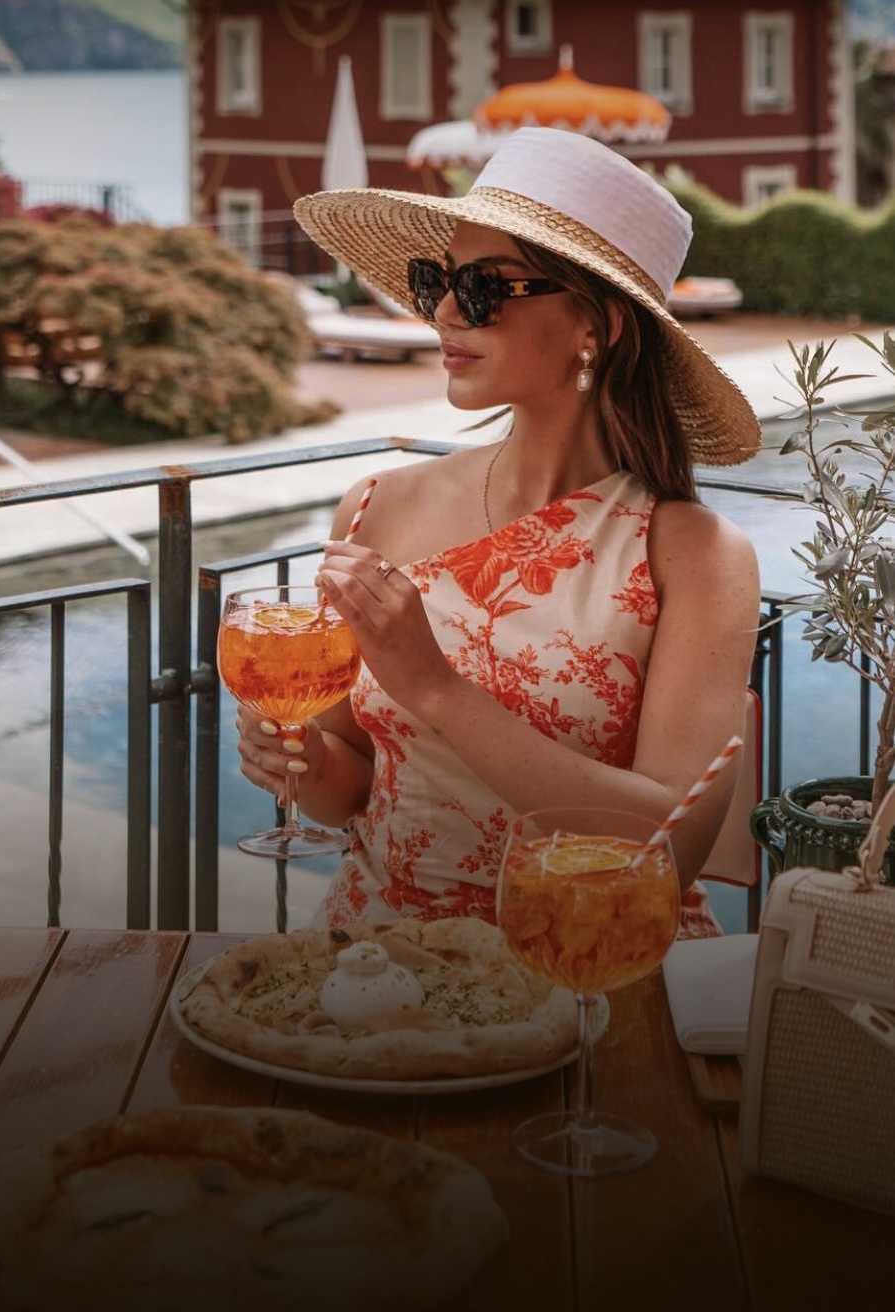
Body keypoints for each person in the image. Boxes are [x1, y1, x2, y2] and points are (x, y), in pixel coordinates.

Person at [236, 127, 762, 935]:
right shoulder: (376, 506)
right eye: (438, 281)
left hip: (588, 963)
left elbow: (669, 848)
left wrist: (435, 688)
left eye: (484, 287)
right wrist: (296, 763)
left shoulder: (692, 555)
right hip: (376, 964)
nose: (446, 311)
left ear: (598, 326)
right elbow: (355, 787)